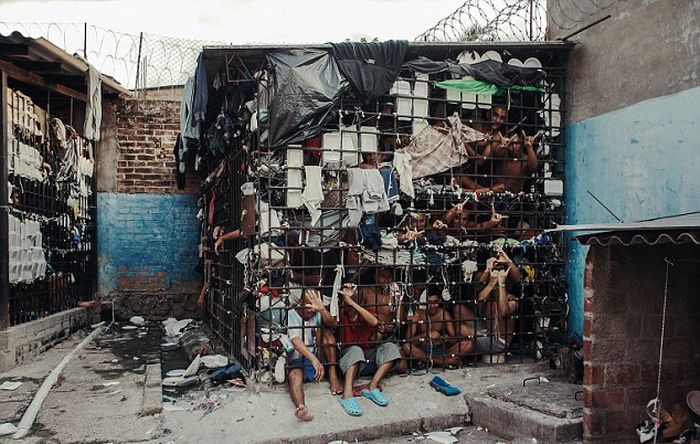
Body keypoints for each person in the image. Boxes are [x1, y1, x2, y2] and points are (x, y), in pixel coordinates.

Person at [336, 283, 403, 416]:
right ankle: (347, 395)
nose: (348, 301)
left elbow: (374, 322)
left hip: (366, 360)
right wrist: (345, 299)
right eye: (346, 298)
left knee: (390, 347)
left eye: (352, 297)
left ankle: (372, 386)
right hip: (347, 363)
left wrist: (353, 303)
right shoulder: (339, 315)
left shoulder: (365, 313)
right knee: (355, 350)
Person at [286, 288, 339, 421]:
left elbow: (333, 323)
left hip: (317, 360)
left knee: (328, 335)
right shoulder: (291, 314)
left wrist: (321, 309)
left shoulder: (317, 312)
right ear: (300, 302)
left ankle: (333, 376)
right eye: (309, 305)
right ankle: (301, 407)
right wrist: (314, 359)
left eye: (315, 305)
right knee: (294, 376)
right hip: (300, 361)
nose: (312, 310)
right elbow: (295, 341)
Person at [401, 288, 473, 368]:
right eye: (429, 302)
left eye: (435, 302)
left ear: (439, 301)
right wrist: (425, 335)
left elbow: (454, 340)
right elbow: (408, 340)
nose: (432, 306)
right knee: (406, 347)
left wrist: (443, 338)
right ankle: (443, 362)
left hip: (441, 350)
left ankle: (431, 362)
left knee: (468, 344)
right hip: (422, 350)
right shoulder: (418, 314)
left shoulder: (444, 314)